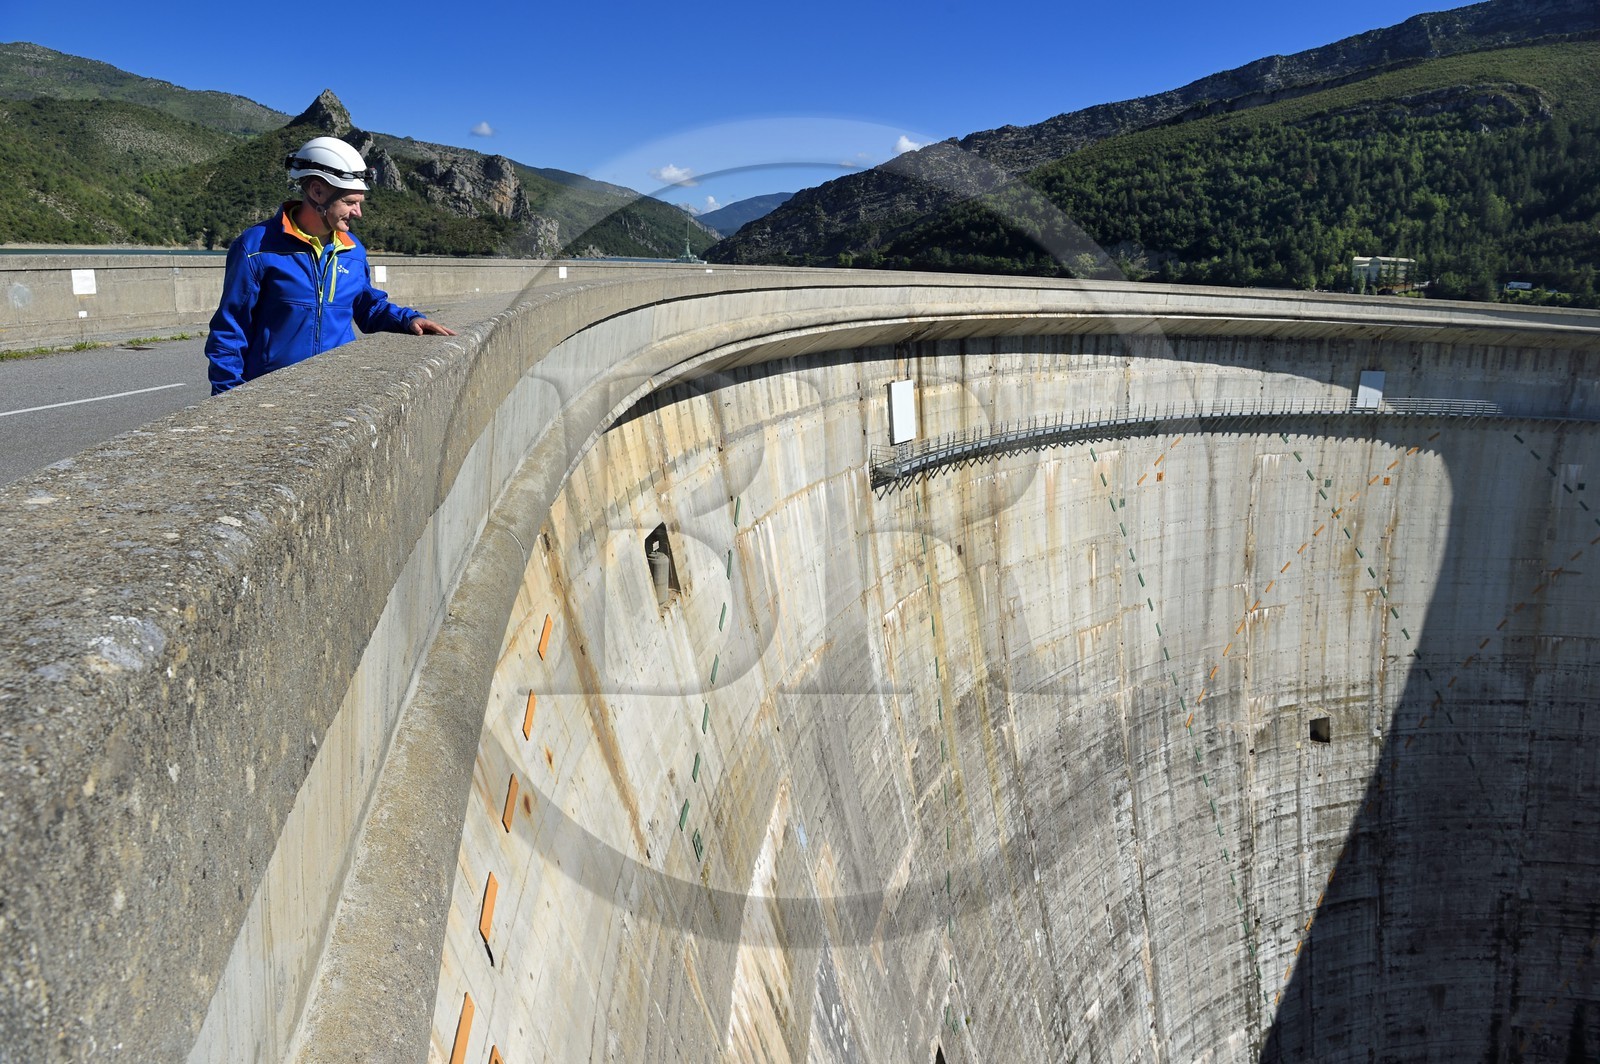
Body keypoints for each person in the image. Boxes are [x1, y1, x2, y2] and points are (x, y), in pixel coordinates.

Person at [205, 136, 456, 394]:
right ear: (317, 192)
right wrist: (228, 395)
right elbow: (230, 330)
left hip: (336, 392)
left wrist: (408, 320)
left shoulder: (352, 250)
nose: (358, 213)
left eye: (359, 203)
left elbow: (368, 307)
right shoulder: (256, 247)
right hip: (273, 393)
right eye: (349, 203)